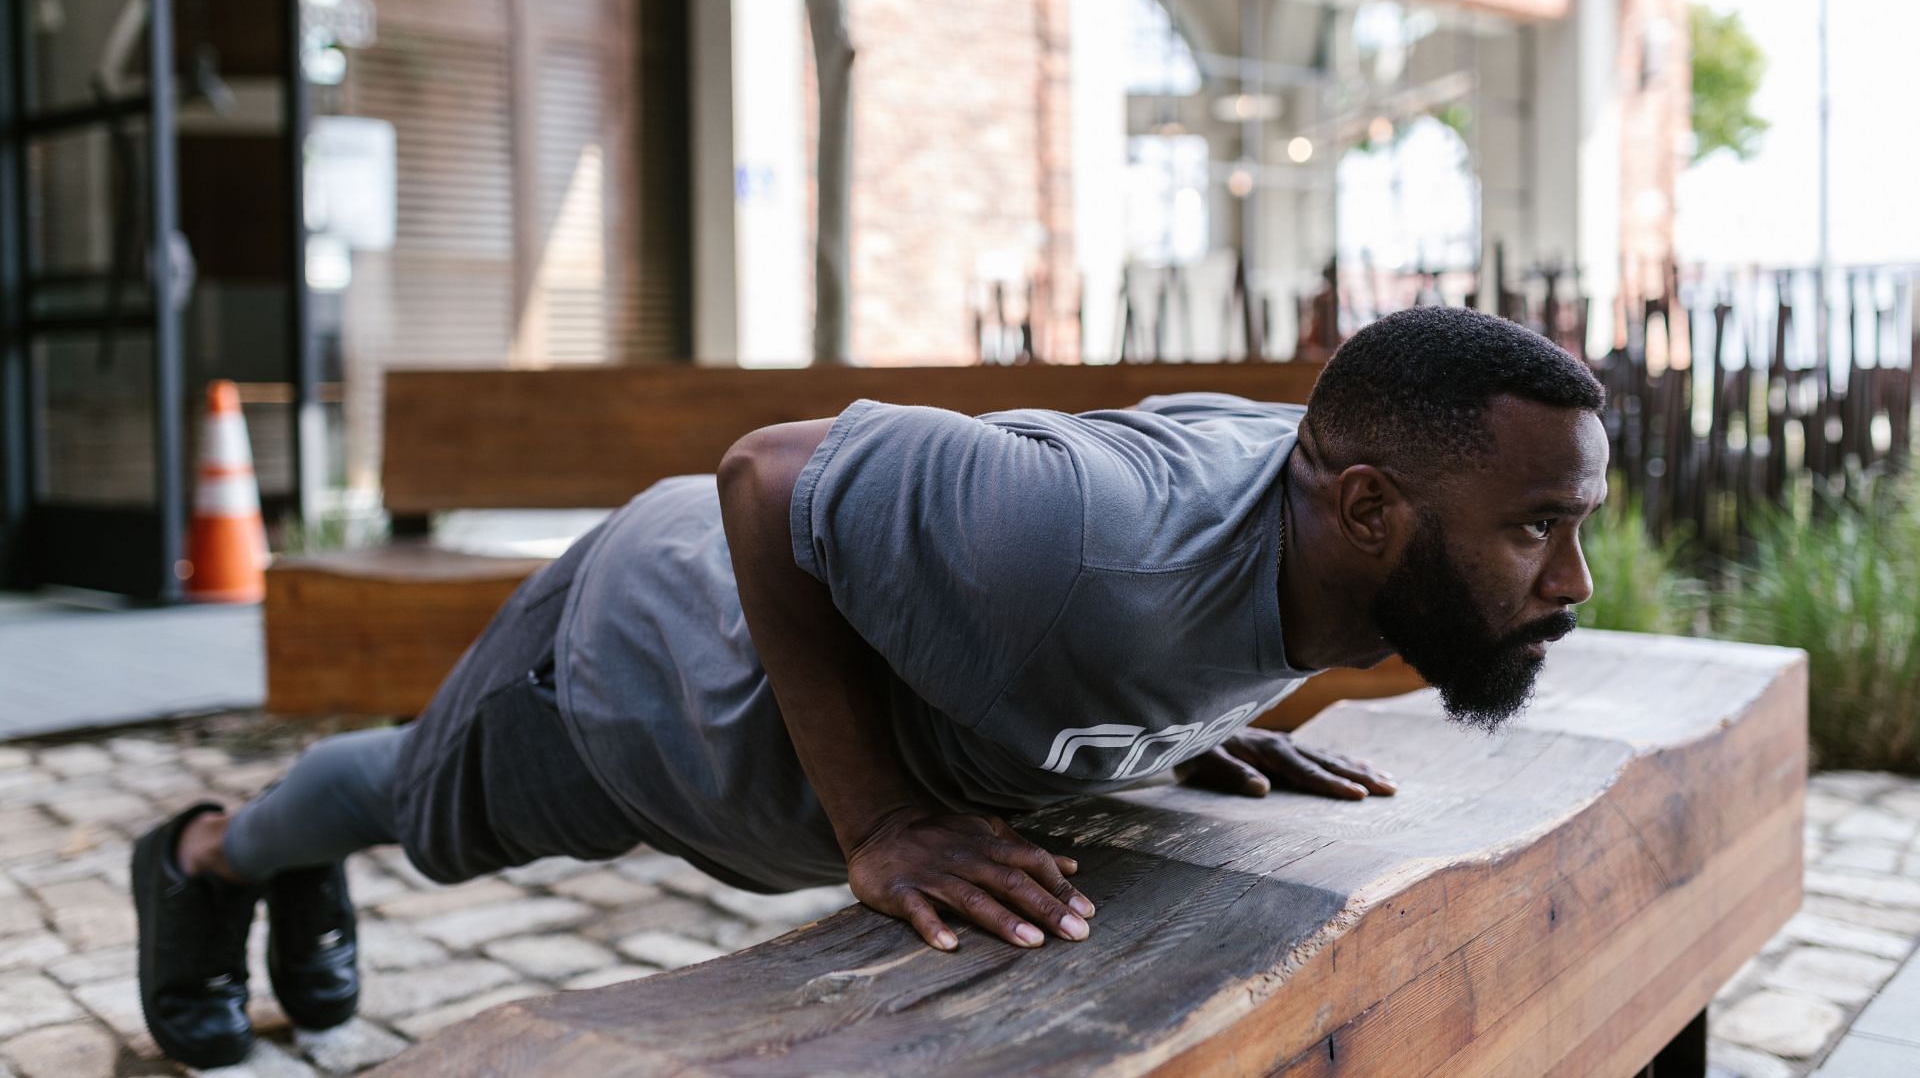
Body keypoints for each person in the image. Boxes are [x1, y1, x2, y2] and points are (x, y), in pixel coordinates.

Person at [129, 306, 1608, 1068]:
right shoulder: (1086, 535)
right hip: (639, 672)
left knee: (405, 799)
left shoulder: (1334, 529)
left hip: (746, 735)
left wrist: (1170, 738)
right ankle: (209, 861)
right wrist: (885, 819)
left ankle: (269, 858)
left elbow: (1188, 612)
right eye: (1538, 529)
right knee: (412, 800)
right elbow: (765, 476)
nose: (1573, 580)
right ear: (1364, 509)